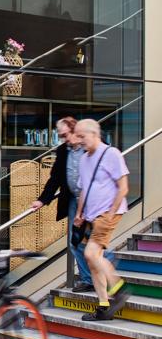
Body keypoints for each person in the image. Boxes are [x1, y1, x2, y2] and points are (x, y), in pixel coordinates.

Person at [31, 117, 113, 292]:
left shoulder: (93, 147)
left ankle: (108, 275)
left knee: (97, 240)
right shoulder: (62, 151)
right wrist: (42, 199)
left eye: (65, 134)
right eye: (61, 136)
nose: (64, 139)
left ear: (75, 130)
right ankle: (87, 279)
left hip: (95, 200)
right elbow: (55, 179)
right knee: (75, 241)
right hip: (75, 200)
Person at [74, 119, 129, 321]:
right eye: (77, 136)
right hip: (90, 216)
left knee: (91, 253)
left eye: (82, 136)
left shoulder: (111, 154)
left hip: (108, 213)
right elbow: (83, 190)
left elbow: (123, 187)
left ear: (94, 133)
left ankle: (120, 288)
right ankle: (104, 306)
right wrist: (79, 215)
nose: (79, 141)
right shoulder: (83, 159)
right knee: (93, 262)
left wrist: (111, 213)